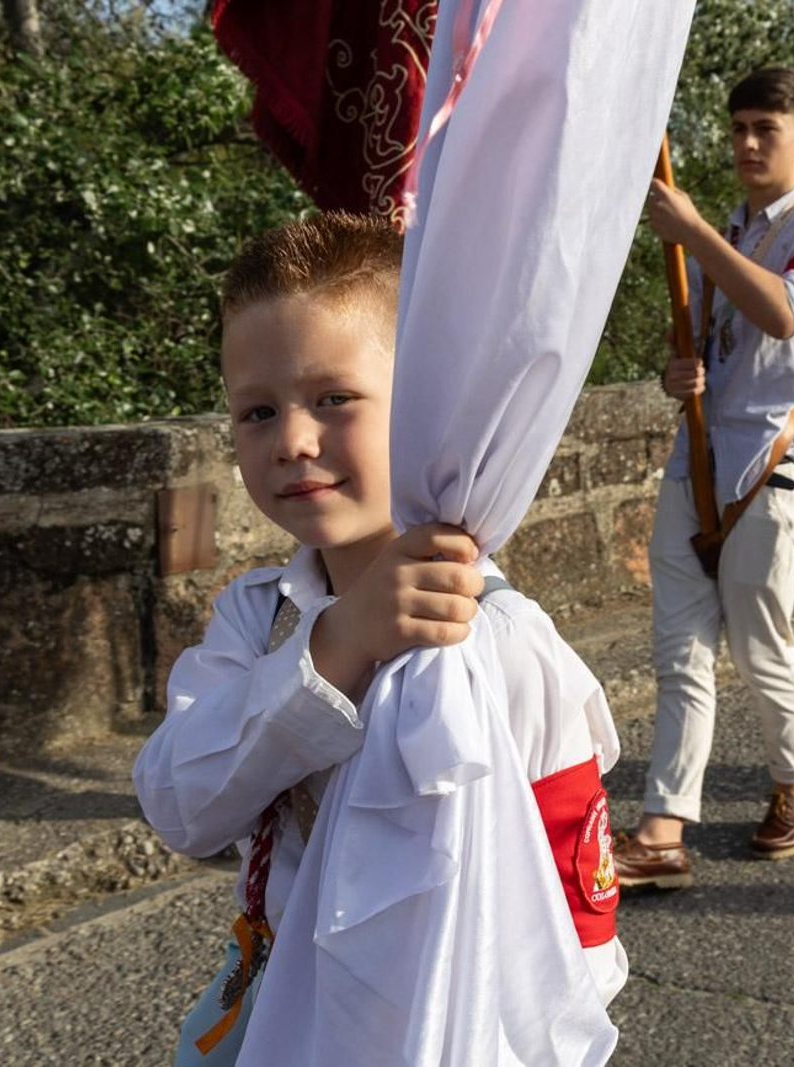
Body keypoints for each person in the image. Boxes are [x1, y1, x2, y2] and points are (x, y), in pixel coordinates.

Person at [132, 212, 627, 1064]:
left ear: (427, 405)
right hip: (275, 1019)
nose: (292, 440)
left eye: (334, 398)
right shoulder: (258, 620)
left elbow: (580, 930)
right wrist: (335, 647)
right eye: (256, 411)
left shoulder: (507, 642)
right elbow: (182, 805)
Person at [615, 66, 794, 888]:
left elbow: (785, 313)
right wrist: (679, 372)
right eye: (739, 129)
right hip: (694, 458)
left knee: (760, 643)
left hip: (770, 461)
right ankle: (663, 829)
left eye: (767, 128)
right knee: (679, 650)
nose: (749, 143)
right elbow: (702, 345)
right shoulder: (723, 227)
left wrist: (693, 233)